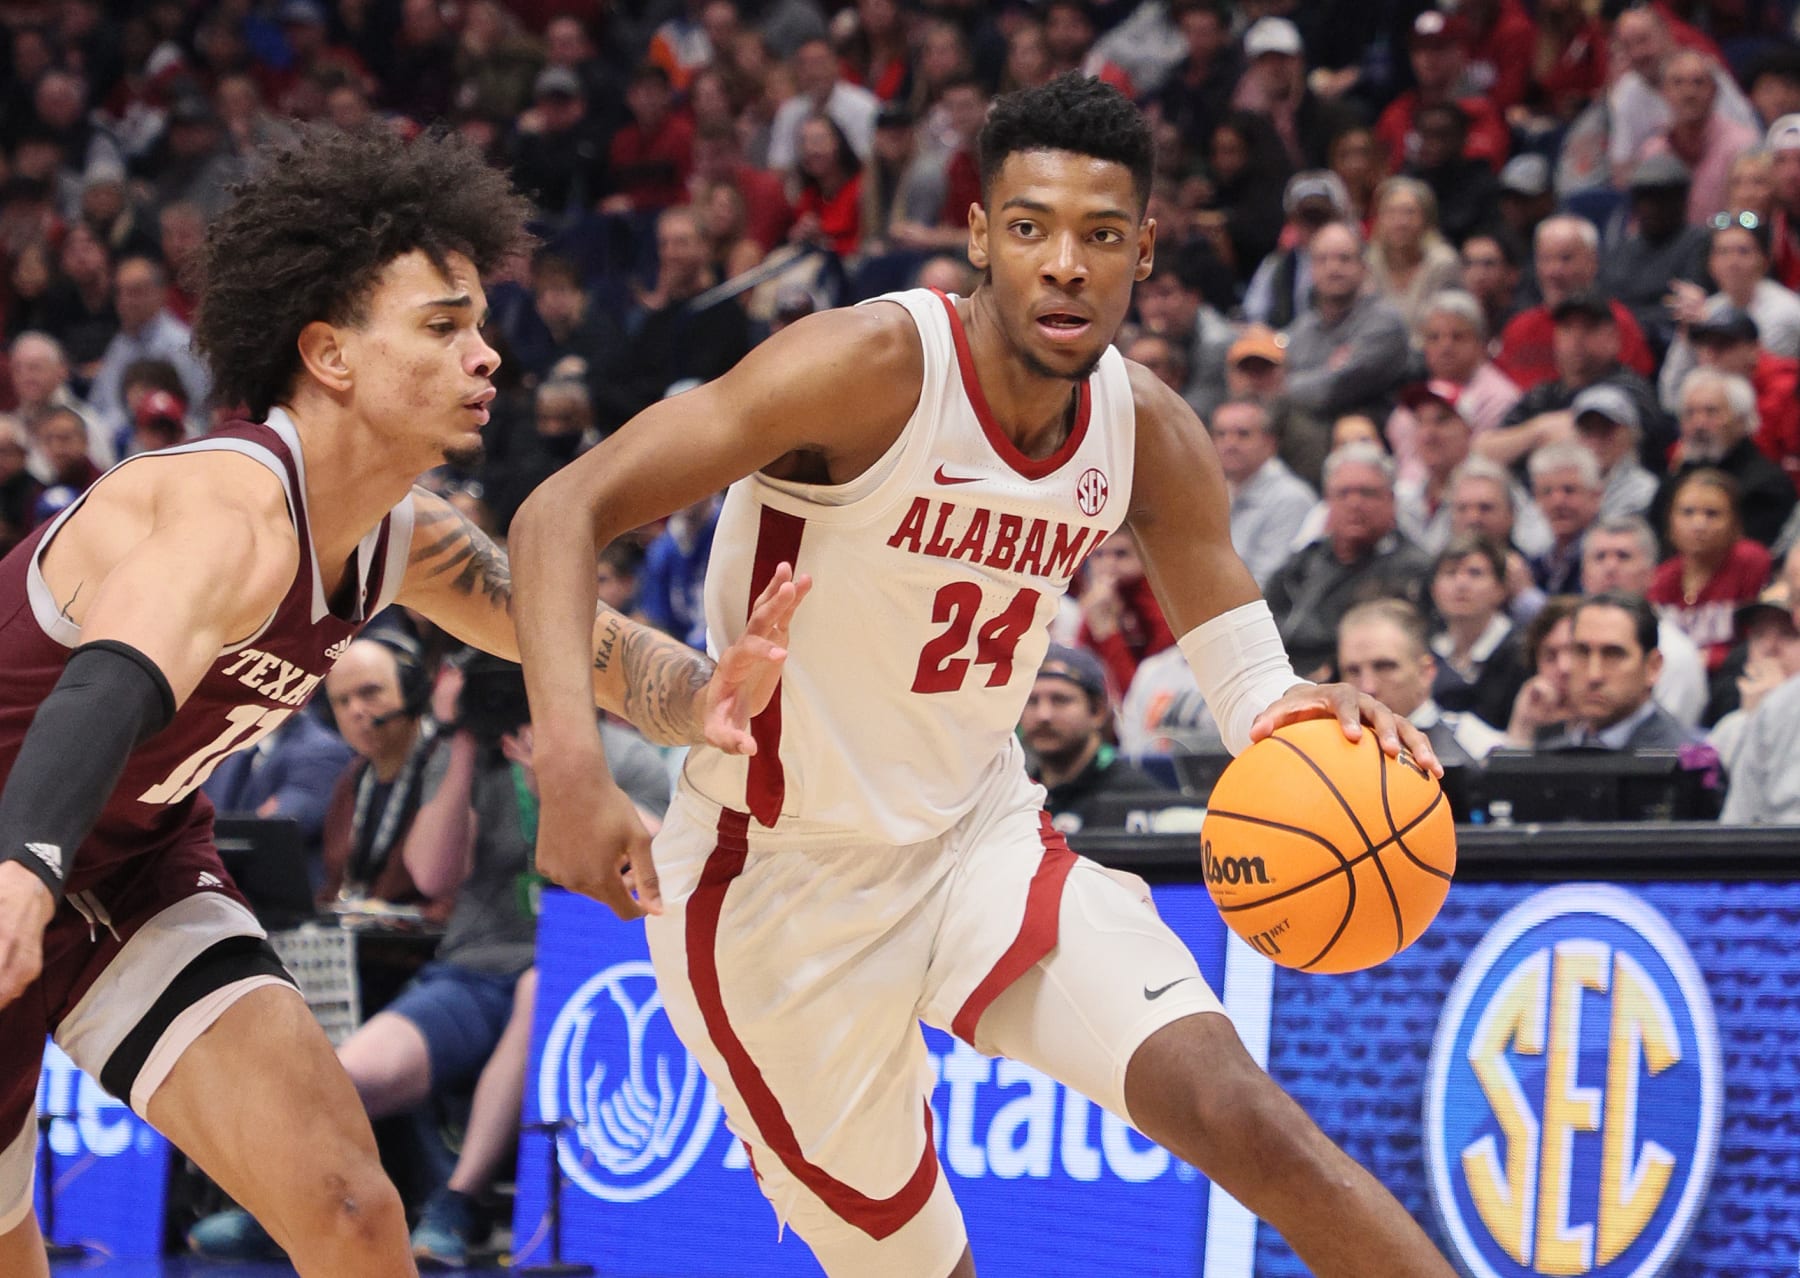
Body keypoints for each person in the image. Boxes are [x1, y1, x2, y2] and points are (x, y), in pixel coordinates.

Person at [509, 74, 1454, 1278]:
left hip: (978, 843)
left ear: (1144, 252)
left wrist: (1300, 714)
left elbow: (1254, 686)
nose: (1064, 265)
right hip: (772, 886)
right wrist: (573, 766)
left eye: (1100, 236)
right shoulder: (866, 367)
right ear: (978, 237)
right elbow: (560, 510)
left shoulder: (1148, 430)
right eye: (1030, 228)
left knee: (1249, 1120)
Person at [0, 126, 799, 1278]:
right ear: (330, 353)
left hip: (132, 867)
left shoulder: (402, 538)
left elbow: (573, 639)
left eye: (480, 325)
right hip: (17, 844)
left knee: (350, 1208)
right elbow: (106, 684)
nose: (486, 356)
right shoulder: (229, 508)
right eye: (442, 327)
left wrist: (703, 693)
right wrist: (23, 868)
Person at [1267, 441, 1434, 678]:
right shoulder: (1303, 562)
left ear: (1391, 500)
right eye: (1343, 493)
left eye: (1367, 493)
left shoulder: (1413, 570)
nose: (1354, 503)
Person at [1534, 592, 1710, 754]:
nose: (1594, 675)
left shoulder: (1682, 764)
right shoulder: (1550, 754)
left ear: (1653, 667)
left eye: (1613, 655)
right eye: (1582, 652)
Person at [1338, 598, 1506, 766]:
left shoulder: (1478, 747)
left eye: (1385, 667)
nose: (1368, 687)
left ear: (1425, 672)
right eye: (1353, 671)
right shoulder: (1328, 744)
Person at [1021, 645, 1169, 832]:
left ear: (1098, 711)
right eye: (1032, 701)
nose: (1043, 715)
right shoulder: (1014, 797)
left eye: (1060, 700)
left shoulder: (1136, 798)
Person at [1648, 468, 1773, 670]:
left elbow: (1762, 639)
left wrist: (1711, 659)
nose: (1699, 524)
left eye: (1712, 514)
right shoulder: (1661, 578)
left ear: (1735, 523)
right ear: (1670, 521)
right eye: (1687, 512)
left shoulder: (1752, 562)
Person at [1209, 395, 1315, 590]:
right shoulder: (1216, 493)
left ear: (1270, 443)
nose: (1230, 443)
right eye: (1221, 434)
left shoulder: (1290, 499)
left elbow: (1268, 584)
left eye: (1243, 434)